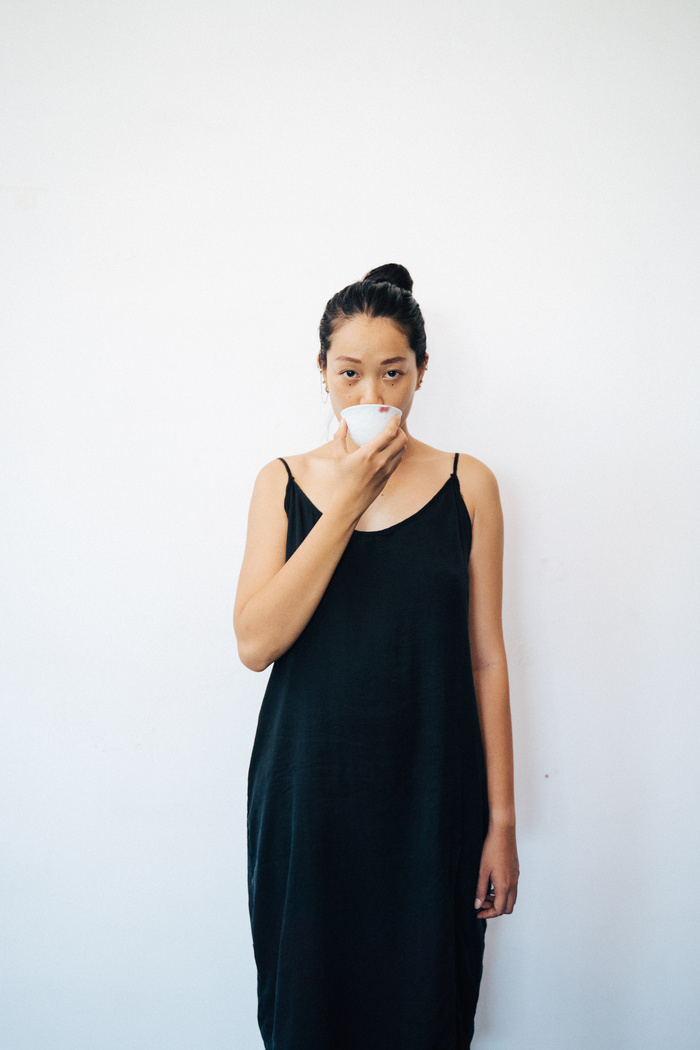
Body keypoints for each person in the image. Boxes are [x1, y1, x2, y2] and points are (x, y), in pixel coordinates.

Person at [234, 263, 519, 1050]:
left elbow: (486, 660)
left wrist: (501, 823)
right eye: (349, 373)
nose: (371, 395)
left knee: (425, 1012)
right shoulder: (281, 483)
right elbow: (255, 643)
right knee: (307, 1017)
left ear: (422, 372)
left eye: (392, 372)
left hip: (432, 802)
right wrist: (349, 499)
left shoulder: (469, 485)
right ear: (322, 375)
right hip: (307, 803)